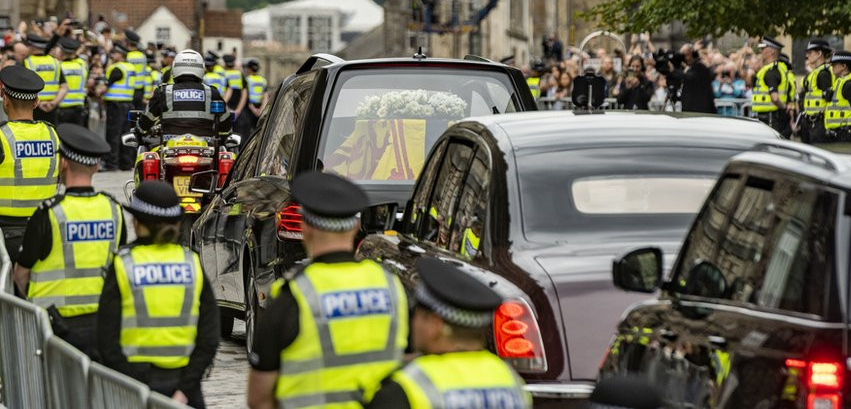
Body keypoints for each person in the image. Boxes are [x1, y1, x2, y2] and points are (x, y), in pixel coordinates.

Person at [247, 171, 409, 409]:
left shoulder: (293, 296)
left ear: (306, 228)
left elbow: (258, 398)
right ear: (355, 227)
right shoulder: (391, 286)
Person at [97, 181, 219, 408]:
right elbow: (209, 337)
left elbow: (107, 341)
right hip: (185, 389)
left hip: (134, 389)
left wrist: (137, 389)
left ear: (138, 222)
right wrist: (183, 392)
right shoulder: (191, 262)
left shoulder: (124, 264)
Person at [13, 124, 124, 358]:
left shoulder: (49, 213)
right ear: (95, 166)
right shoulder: (114, 209)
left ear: (63, 163)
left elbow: (21, 276)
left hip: (54, 328)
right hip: (102, 323)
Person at [366, 257, 531, 409]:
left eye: (417, 313)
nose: (413, 322)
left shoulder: (406, 388)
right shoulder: (511, 383)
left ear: (435, 324)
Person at [0, 65, 61, 263]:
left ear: (5, 98)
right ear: (36, 102)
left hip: (7, 231)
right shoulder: (53, 135)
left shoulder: (2, 136)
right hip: (46, 225)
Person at [137, 50, 232, 141]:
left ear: (174, 68)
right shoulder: (212, 92)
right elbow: (226, 126)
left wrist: (139, 130)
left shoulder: (163, 91)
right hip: (206, 149)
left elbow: (145, 122)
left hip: (169, 150)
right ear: (202, 69)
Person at [99, 44, 135, 172]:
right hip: (128, 104)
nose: (112, 55)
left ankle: (111, 164)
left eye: (114, 53)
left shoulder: (117, 68)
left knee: (113, 134)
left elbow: (105, 87)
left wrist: (99, 92)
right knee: (126, 134)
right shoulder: (130, 67)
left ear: (120, 55)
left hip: (116, 105)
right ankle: (126, 163)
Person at [751, 37, 791, 137]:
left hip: (770, 118)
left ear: (772, 51)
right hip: (770, 117)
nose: (761, 51)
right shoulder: (772, 69)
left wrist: (783, 108)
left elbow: (775, 97)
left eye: (763, 48)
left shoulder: (771, 72)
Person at [825, 51, 851, 143]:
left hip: (848, 133)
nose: (832, 67)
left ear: (844, 66)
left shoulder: (850, 85)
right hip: (838, 133)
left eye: (834, 64)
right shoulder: (839, 81)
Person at [799, 40, 834, 144]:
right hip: (809, 122)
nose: (807, 55)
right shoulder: (814, 73)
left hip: (819, 123)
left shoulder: (824, 73)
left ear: (819, 54)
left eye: (810, 52)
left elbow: (828, 99)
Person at [666, 43, 716, 114]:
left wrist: (673, 70)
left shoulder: (699, 66)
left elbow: (691, 77)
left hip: (700, 110)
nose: (682, 56)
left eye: (685, 54)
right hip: (692, 109)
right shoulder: (688, 68)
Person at [24, 33, 61, 125]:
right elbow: (64, 87)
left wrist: (39, 103)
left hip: (33, 108)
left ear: (31, 47)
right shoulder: (55, 62)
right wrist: (53, 103)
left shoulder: (26, 62)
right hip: (52, 108)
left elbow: (23, 87)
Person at [54, 37, 90, 126]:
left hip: (62, 108)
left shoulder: (58, 66)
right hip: (79, 108)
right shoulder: (82, 65)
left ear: (61, 52)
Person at [222, 54, 248, 135]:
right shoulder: (239, 74)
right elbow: (244, 94)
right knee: (239, 134)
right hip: (238, 108)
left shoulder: (222, 74)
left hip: (225, 108)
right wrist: (238, 110)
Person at [242, 59, 267, 141]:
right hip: (260, 109)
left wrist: (254, 109)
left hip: (250, 109)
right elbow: (265, 96)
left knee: (249, 132)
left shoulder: (247, 80)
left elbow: (246, 96)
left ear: (249, 69)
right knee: (260, 130)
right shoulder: (263, 80)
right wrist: (261, 109)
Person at [124, 29, 148, 111]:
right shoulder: (143, 56)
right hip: (140, 90)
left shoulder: (127, 56)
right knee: (137, 114)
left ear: (128, 42)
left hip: (129, 89)